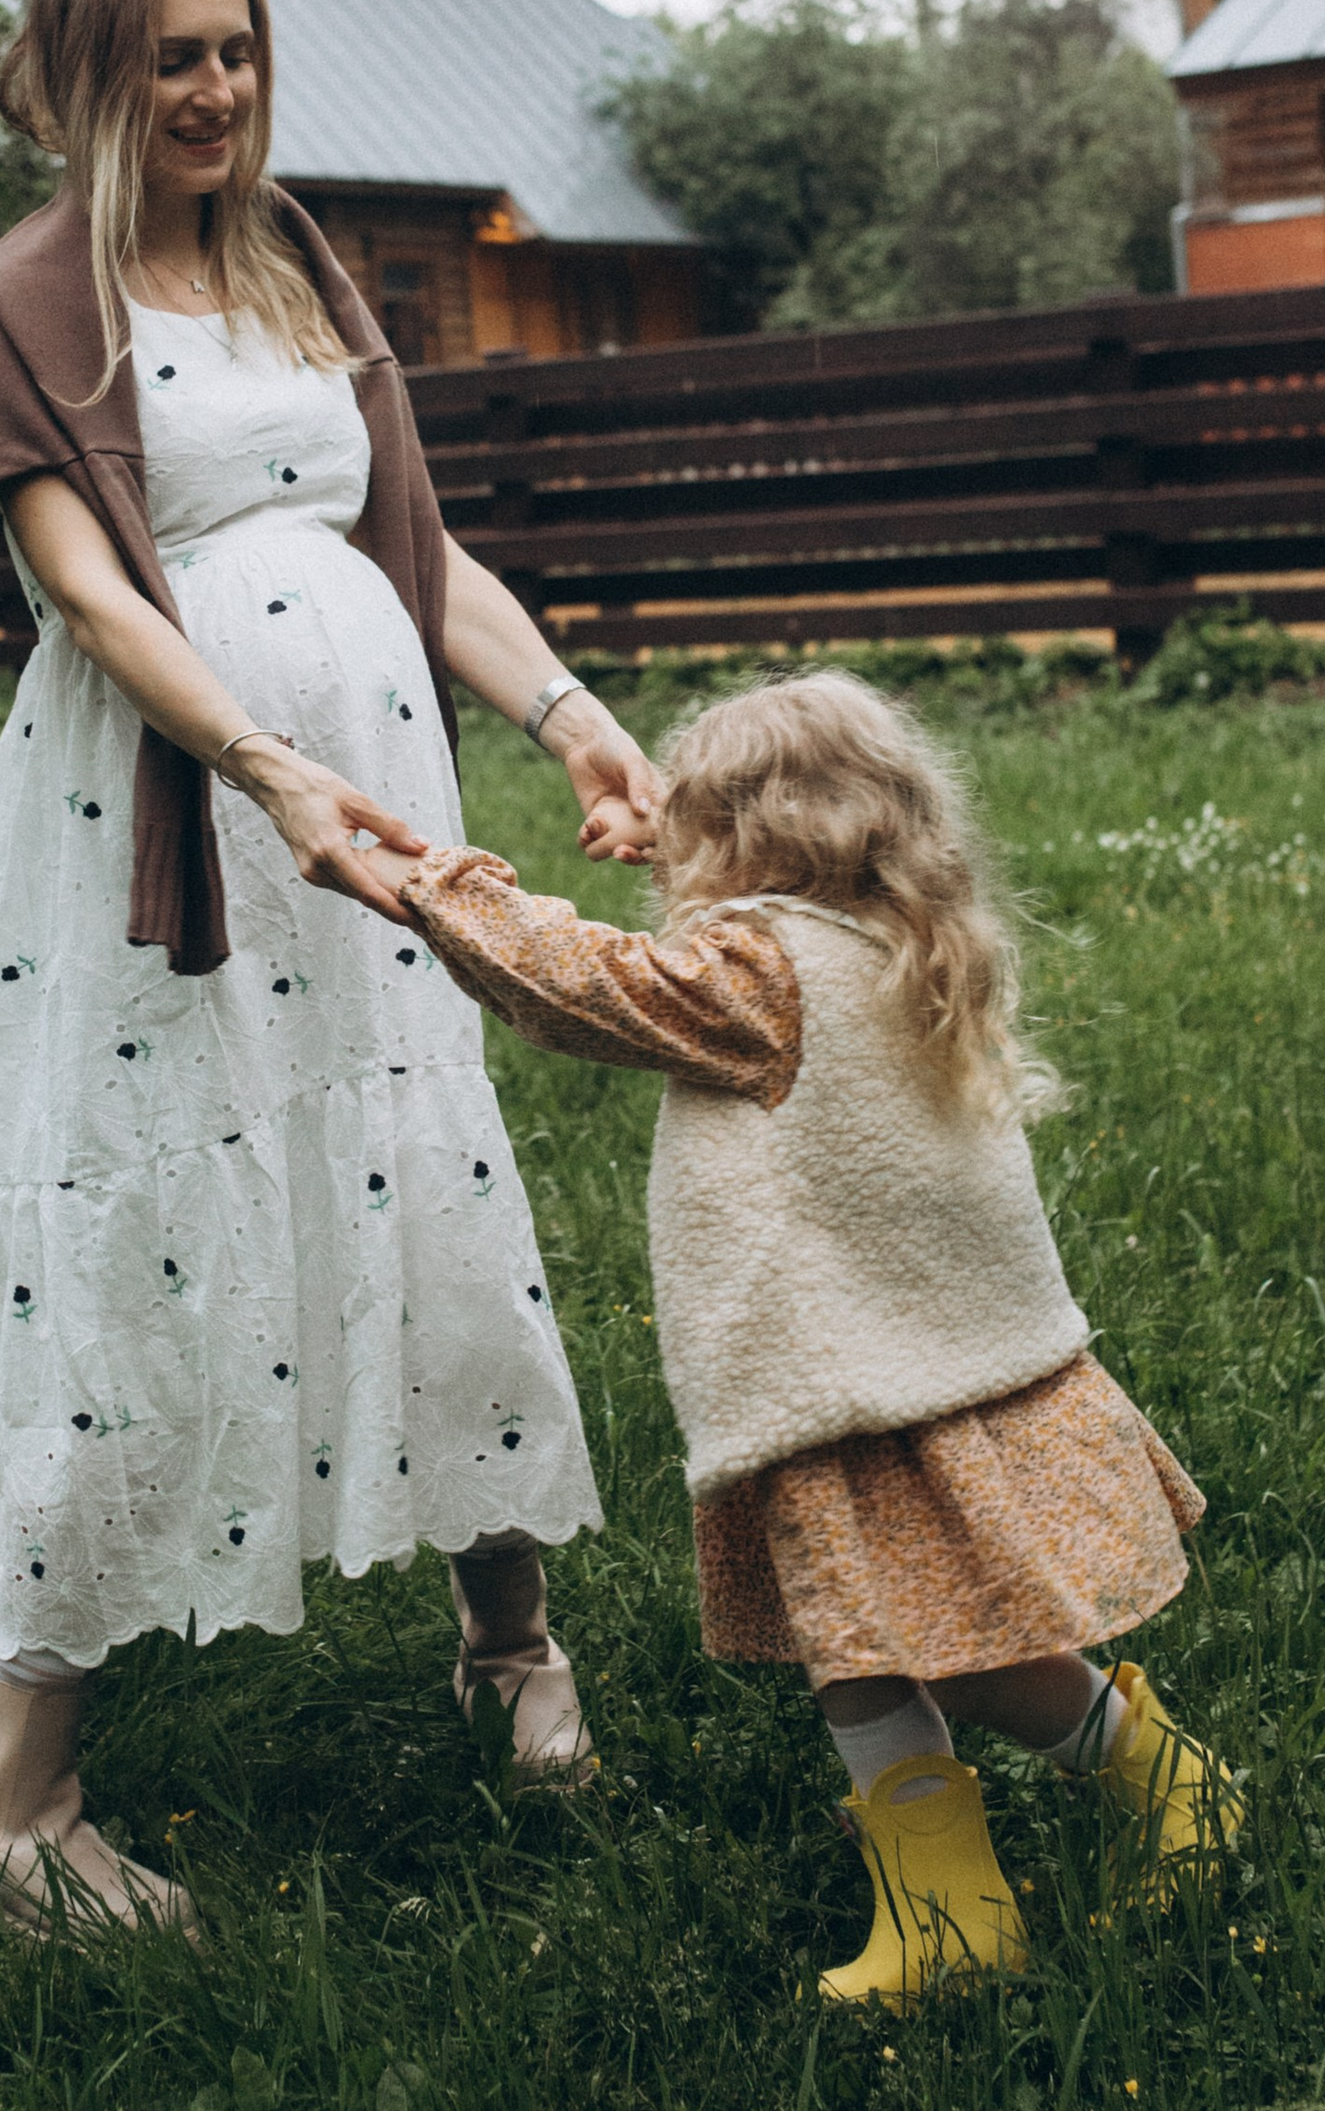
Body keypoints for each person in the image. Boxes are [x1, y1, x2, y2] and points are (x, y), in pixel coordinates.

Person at [0, 0, 663, 1942]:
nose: (214, 91)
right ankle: (3, 1811)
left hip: (368, 826)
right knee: (133, 1228)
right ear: (86, 80)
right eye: (172, 59)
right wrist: (266, 769)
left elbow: (410, 549)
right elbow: (89, 595)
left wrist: (571, 720)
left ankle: (507, 1645)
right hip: (172, 827)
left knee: (413, 1170)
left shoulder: (295, 264)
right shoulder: (34, 302)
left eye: (237, 50)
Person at [394, 668, 1237, 2008]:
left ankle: (981, 1900)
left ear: (738, 840)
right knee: (918, 1648)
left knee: (893, 1656)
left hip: (853, 1396)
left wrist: (440, 886)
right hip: (927, 1375)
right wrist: (669, 833)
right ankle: (1106, 1808)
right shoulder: (885, 945)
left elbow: (579, 985)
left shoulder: (759, 974)